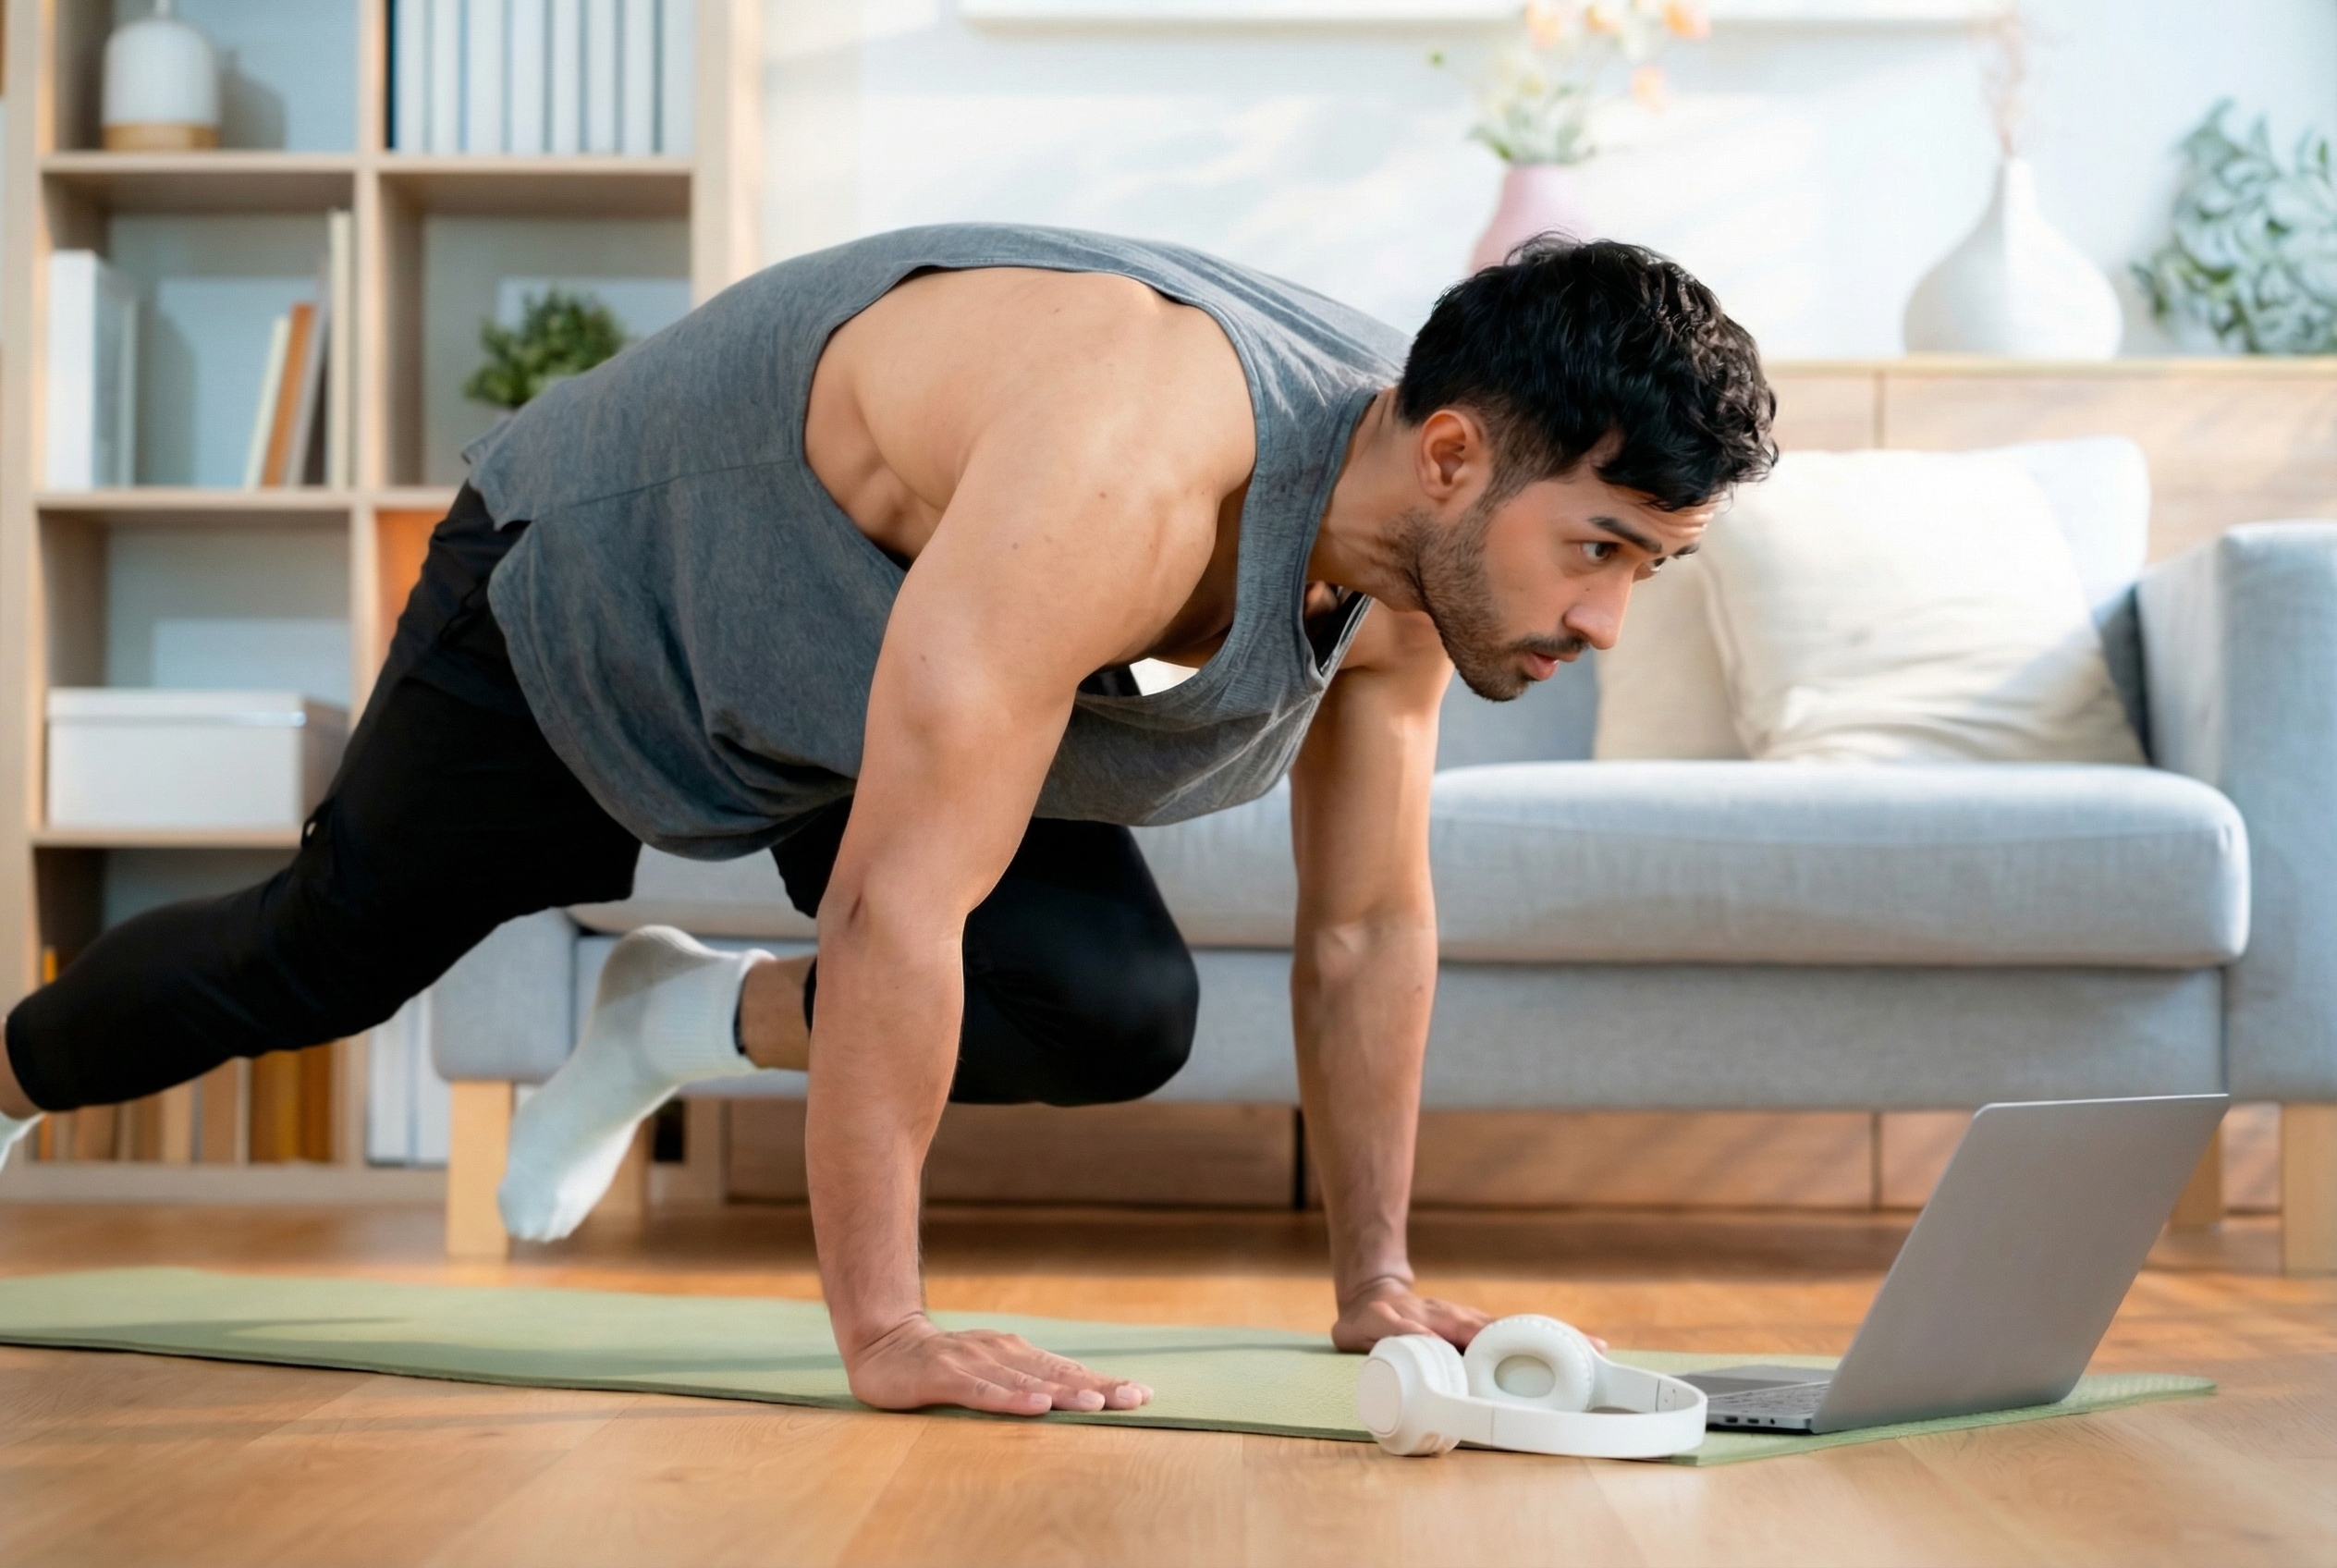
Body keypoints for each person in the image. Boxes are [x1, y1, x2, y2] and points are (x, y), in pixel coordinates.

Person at [0, 226, 1773, 1419]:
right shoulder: (1126, 469)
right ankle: (10, 1078)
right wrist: (887, 1328)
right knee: (321, 956)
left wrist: (1378, 1281)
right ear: (1453, 457)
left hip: (888, 649)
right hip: (615, 582)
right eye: (1600, 550)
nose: (1605, 620)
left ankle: (678, 1018)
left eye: (1651, 568)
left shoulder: (1420, 557)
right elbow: (896, 913)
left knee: (1110, 1009)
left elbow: (1368, 923)